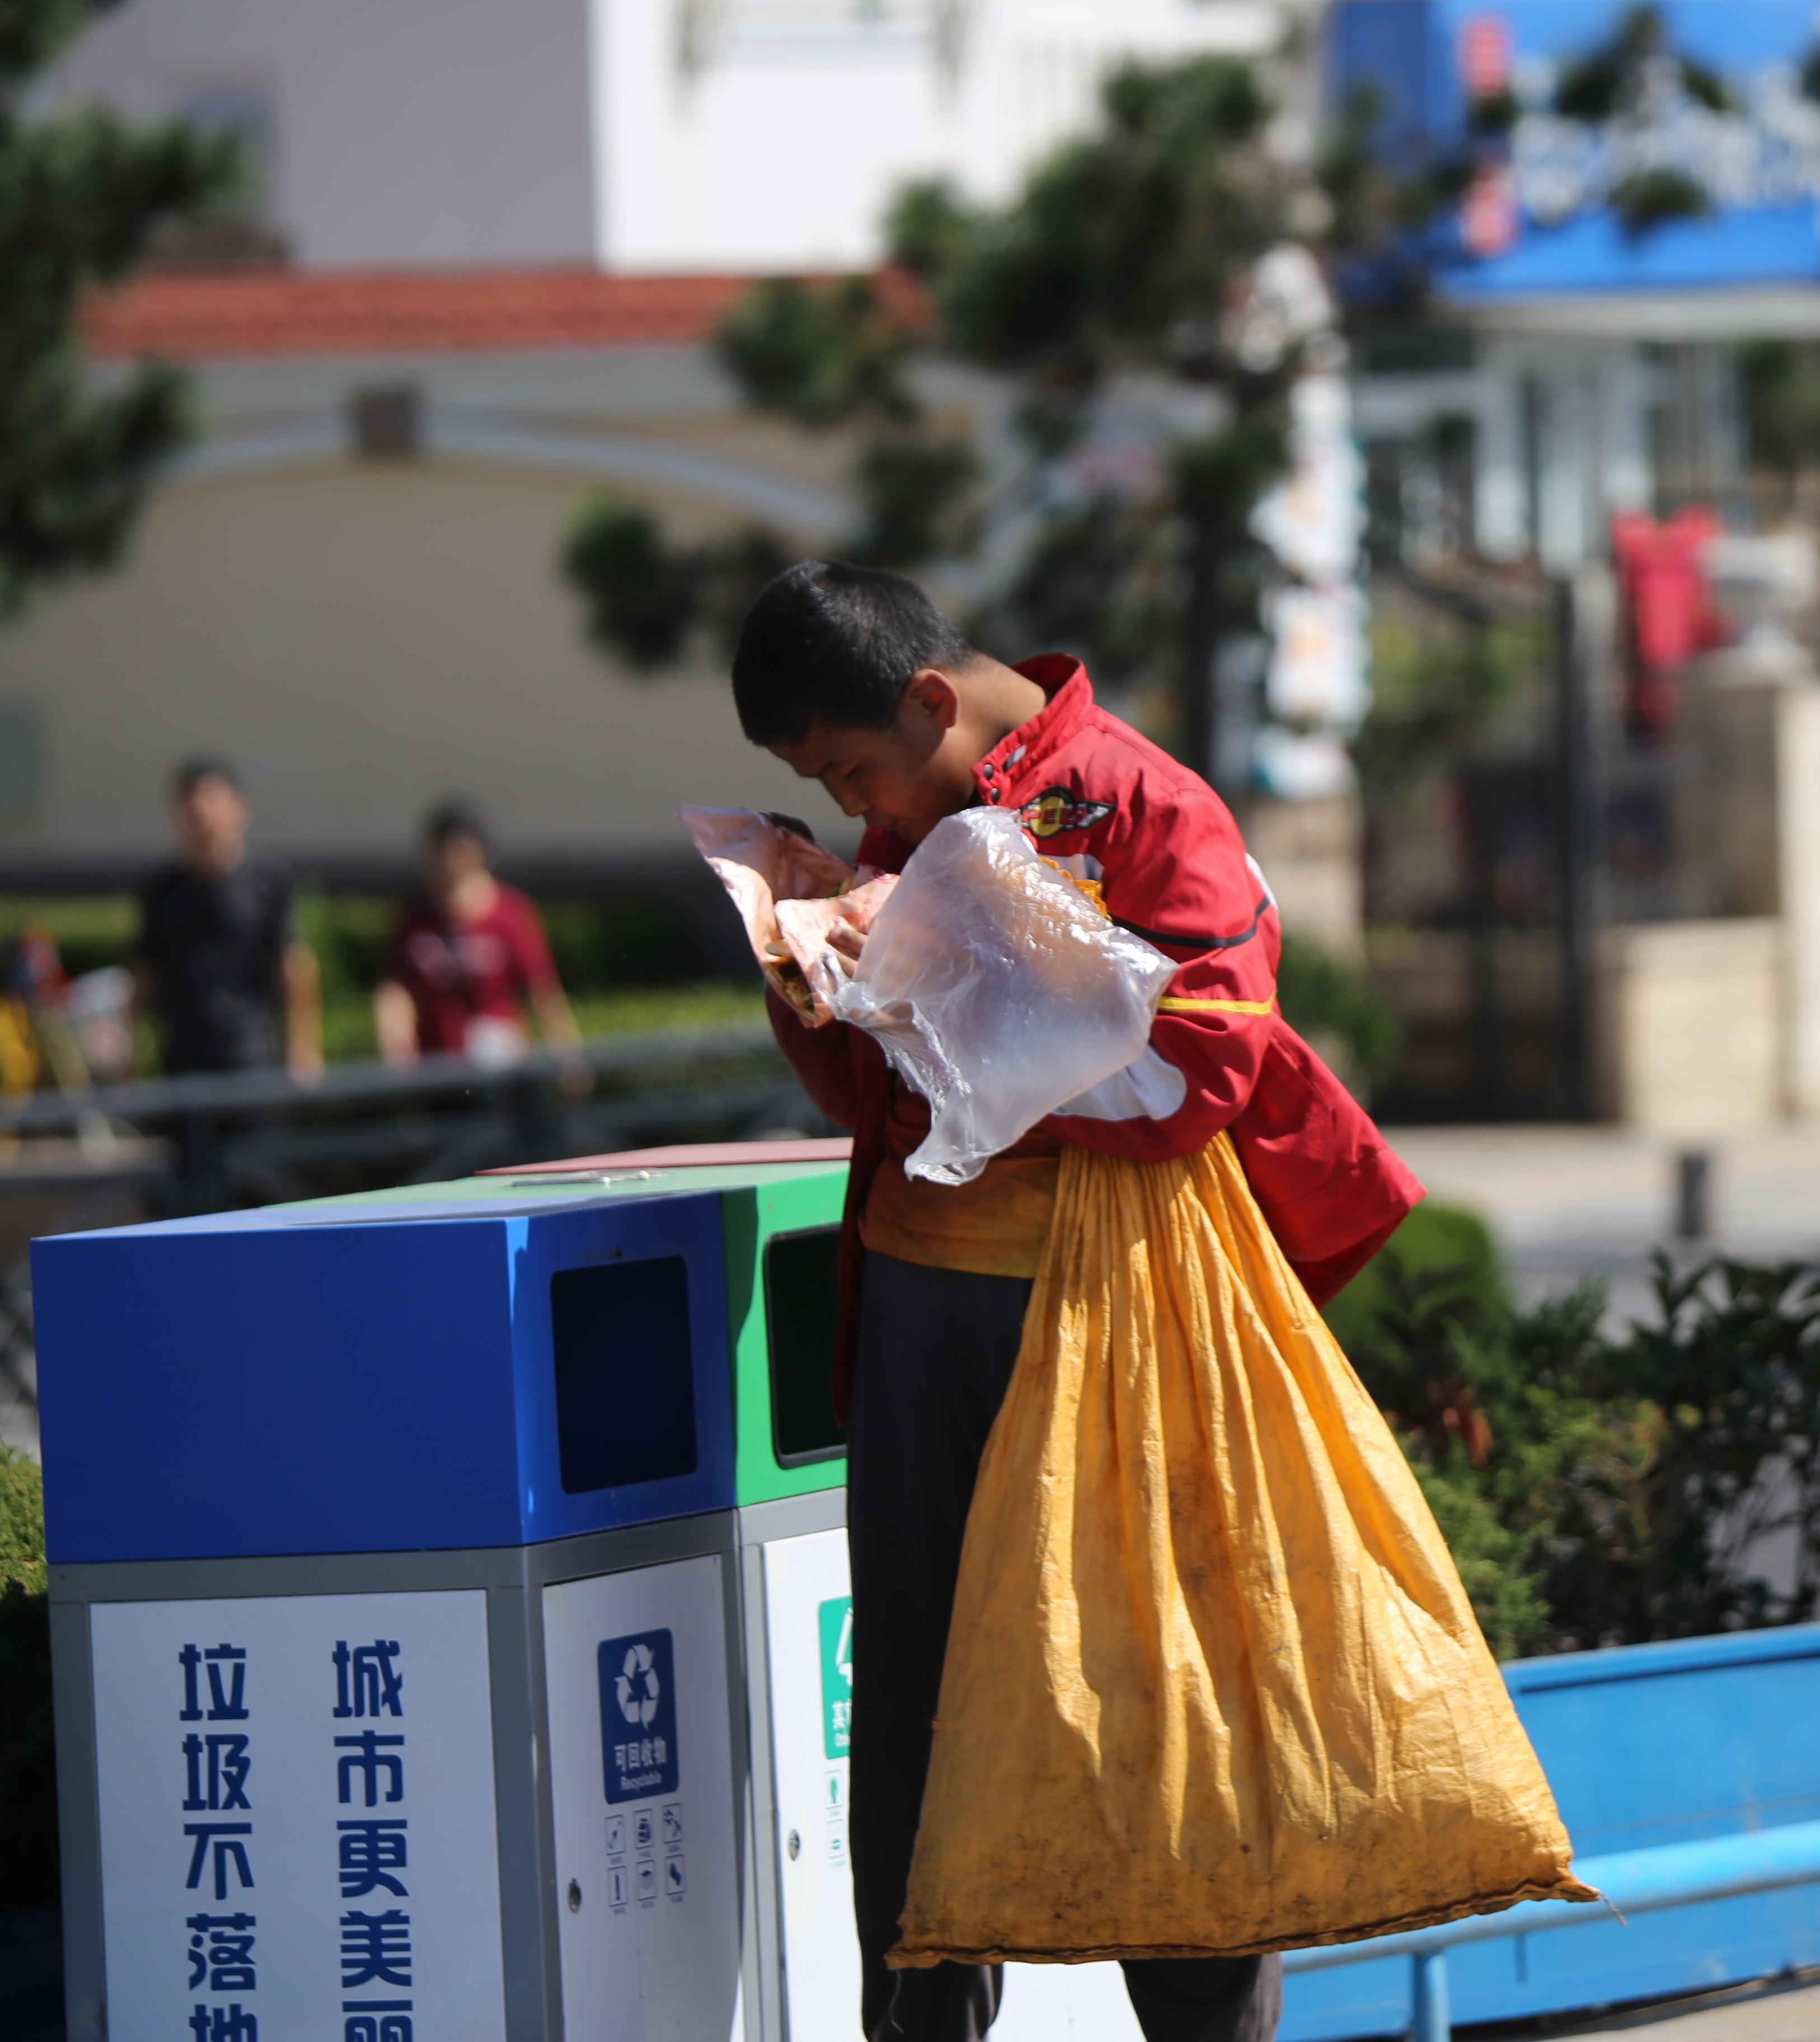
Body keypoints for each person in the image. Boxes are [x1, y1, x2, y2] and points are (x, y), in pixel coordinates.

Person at [728, 560, 1422, 2042]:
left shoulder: (1148, 802)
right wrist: (814, 975)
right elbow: (884, 1089)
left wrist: (938, 966)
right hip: (920, 1301)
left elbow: (1204, 1067)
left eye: (856, 768)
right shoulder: (900, 830)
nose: (864, 806)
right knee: (912, 1708)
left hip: (1114, 1312)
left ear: (928, 697)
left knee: (1156, 1698)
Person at [132, 758, 322, 1080]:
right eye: (189, 800)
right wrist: (131, 1054)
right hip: (183, 1058)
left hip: (248, 1055)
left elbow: (292, 964)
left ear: (238, 809)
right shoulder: (162, 890)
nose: (199, 811)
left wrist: (304, 1047)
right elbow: (143, 972)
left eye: (210, 798)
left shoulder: (267, 880)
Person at [374, 802, 584, 1078]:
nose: (450, 860)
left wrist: (566, 1053)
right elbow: (396, 985)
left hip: (502, 1064)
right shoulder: (414, 919)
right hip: (438, 1068)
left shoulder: (510, 913)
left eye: (460, 848)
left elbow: (542, 989)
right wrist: (396, 1042)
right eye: (441, 849)